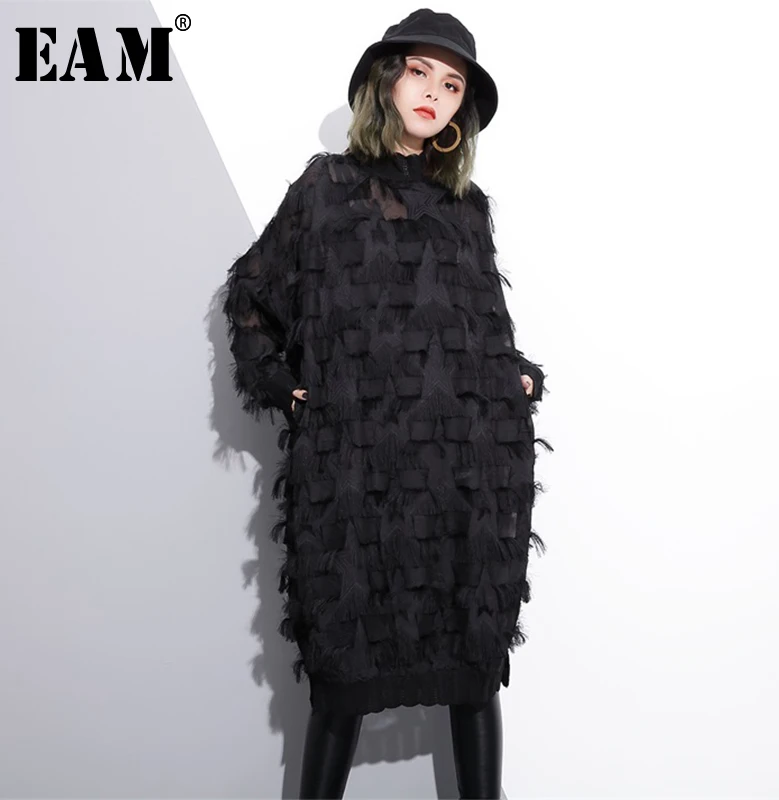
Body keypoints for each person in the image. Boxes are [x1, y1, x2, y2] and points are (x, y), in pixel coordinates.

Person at [222, 9, 553, 798]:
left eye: (453, 84)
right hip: (357, 478)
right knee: (344, 674)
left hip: (459, 479)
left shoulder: (466, 210)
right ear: (386, 80)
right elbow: (251, 295)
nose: (435, 92)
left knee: (472, 669)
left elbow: (483, 327)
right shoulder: (325, 189)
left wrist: (516, 376)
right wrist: (284, 386)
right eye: (419, 71)